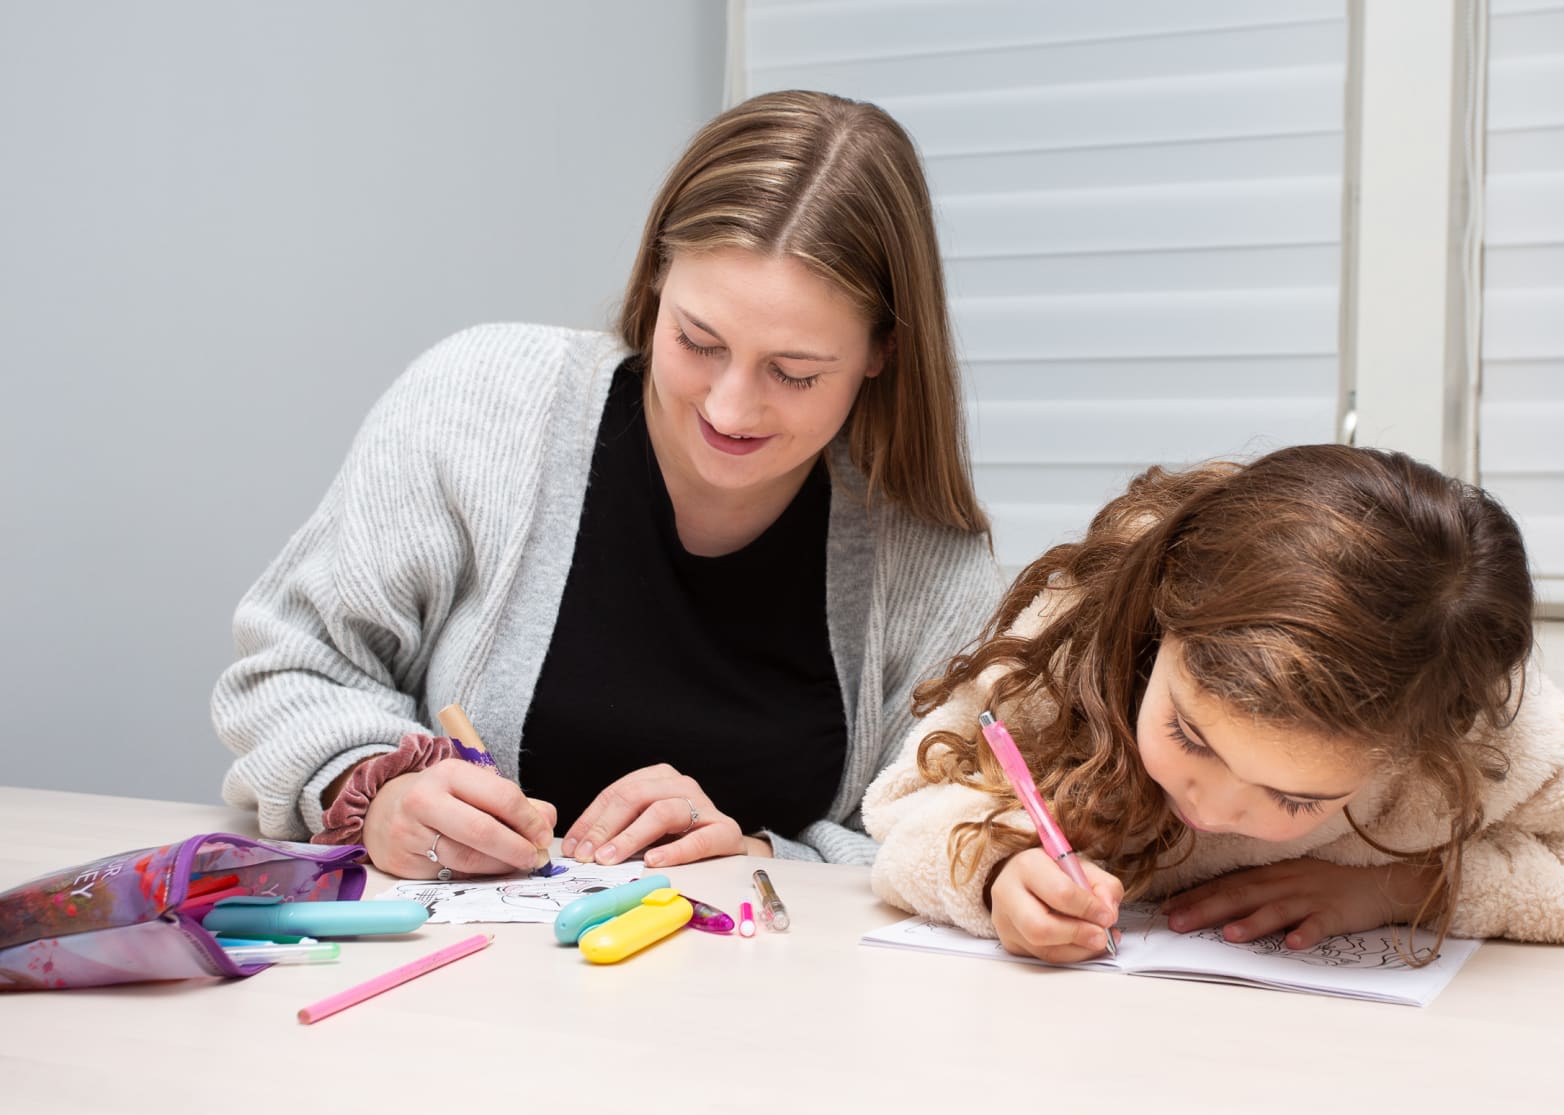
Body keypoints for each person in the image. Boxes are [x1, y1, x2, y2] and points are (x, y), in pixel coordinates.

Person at [213, 90, 1004, 879]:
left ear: (882, 350)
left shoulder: (933, 570)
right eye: (698, 340)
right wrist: (377, 792)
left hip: (766, 995)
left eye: (793, 374)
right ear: (658, 275)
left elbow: (948, 842)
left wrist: (761, 857)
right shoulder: (479, 406)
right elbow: (288, 669)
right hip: (458, 983)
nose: (729, 408)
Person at [865, 445, 1564, 963]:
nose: (1212, 803)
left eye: (1298, 798)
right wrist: (995, 870)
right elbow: (902, 803)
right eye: (1189, 734)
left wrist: (1401, 888)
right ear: (1162, 621)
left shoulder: (1463, 719)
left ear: (1423, 749)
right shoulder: (1076, 642)